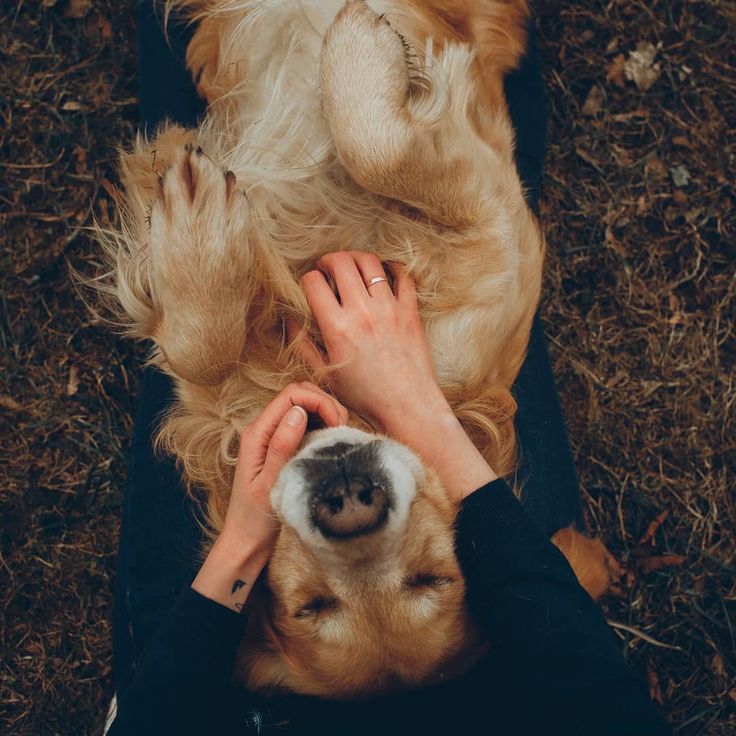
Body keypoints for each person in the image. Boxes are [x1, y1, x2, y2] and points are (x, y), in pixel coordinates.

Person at [106, 4, 672, 734]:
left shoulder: (254, 642)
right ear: (481, 576)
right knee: (495, 175)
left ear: (269, 617)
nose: (358, 535)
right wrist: (379, 151)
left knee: (184, 230)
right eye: (428, 579)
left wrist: (206, 340)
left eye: (315, 604)